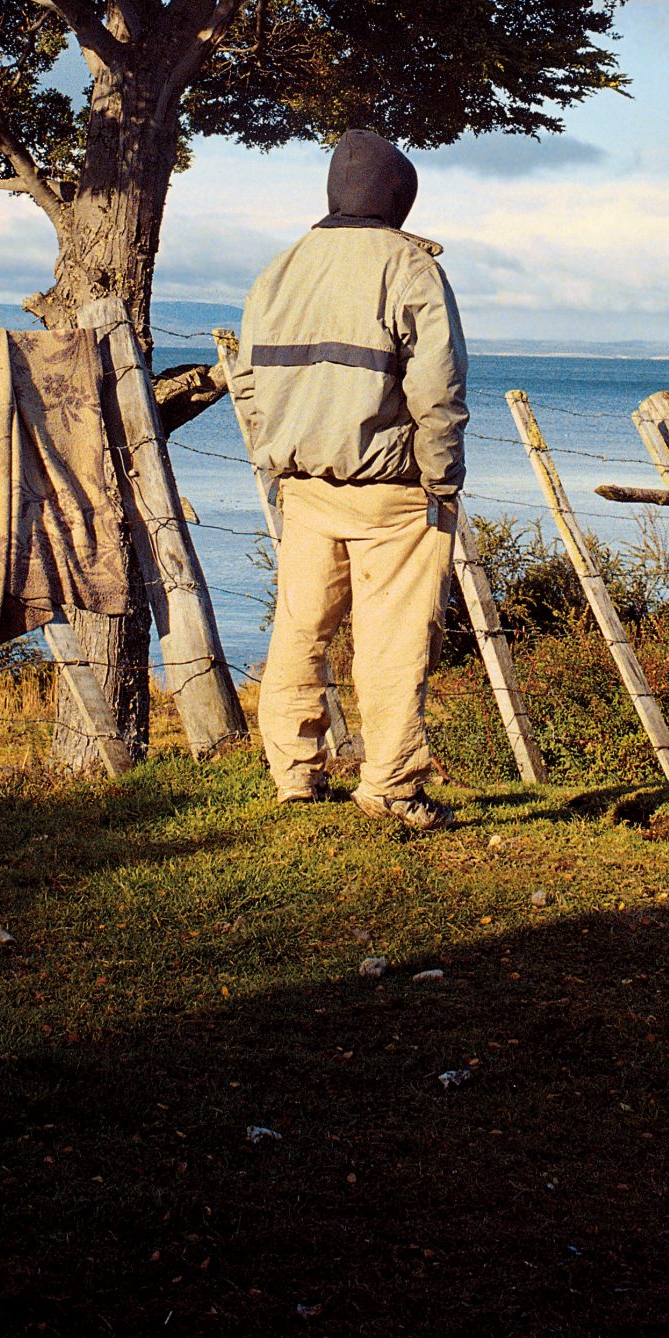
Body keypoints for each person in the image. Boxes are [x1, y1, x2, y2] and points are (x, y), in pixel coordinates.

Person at [233, 129, 467, 830]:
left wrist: (273, 454)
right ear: (398, 197)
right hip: (392, 493)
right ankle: (390, 787)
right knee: (393, 645)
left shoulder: (280, 268)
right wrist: (442, 481)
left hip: (303, 486)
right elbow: (437, 391)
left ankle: (293, 775)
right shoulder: (410, 267)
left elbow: (246, 379)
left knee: (299, 634)